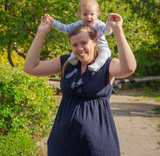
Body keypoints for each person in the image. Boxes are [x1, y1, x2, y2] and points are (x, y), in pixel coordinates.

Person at [24, 13, 136, 156]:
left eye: (84, 43)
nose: (79, 48)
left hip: (97, 145)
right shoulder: (67, 62)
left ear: (94, 41)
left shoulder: (107, 64)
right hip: (62, 143)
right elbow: (30, 68)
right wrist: (41, 33)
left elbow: (129, 68)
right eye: (74, 45)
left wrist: (118, 31)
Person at [46, 0, 112, 72]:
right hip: (84, 47)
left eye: (92, 14)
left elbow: (107, 31)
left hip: (100, 45)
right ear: (80, 14)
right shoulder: (79, 24)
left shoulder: (99, 25)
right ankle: (73, 58)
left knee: (105, 52)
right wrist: (53, 22)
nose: (88, 17)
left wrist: (109, 23)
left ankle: (96, 65)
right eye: (85, 14)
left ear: (97, 14)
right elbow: (66, 28)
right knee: (78, 47)